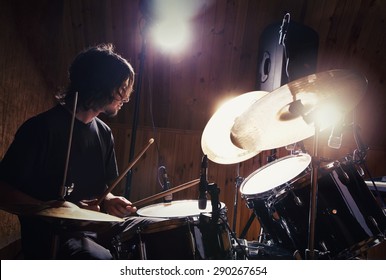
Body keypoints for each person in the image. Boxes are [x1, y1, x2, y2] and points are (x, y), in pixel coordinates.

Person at [0, 43, 159, 259]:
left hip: (94, 231)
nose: (125, 97)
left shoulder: (104, 133)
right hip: (52, 239)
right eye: (121, 89)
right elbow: (3, 190)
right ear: (100, 84)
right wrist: (47, 207)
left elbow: (102, 187)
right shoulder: (40, 129)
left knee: (152, 229)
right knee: (99, 260)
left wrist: (109, 199)